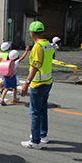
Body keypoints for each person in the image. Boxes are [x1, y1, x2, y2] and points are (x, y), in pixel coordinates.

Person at [20, 21, 54, 149]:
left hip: (38, 84)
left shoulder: (37, 47)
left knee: (34, 112)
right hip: (48, 82)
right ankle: (43, 135)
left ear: (31, 33)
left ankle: (35, 141)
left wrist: (26, 83)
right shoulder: (48, 45)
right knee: (42, 110)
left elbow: (35, 67)